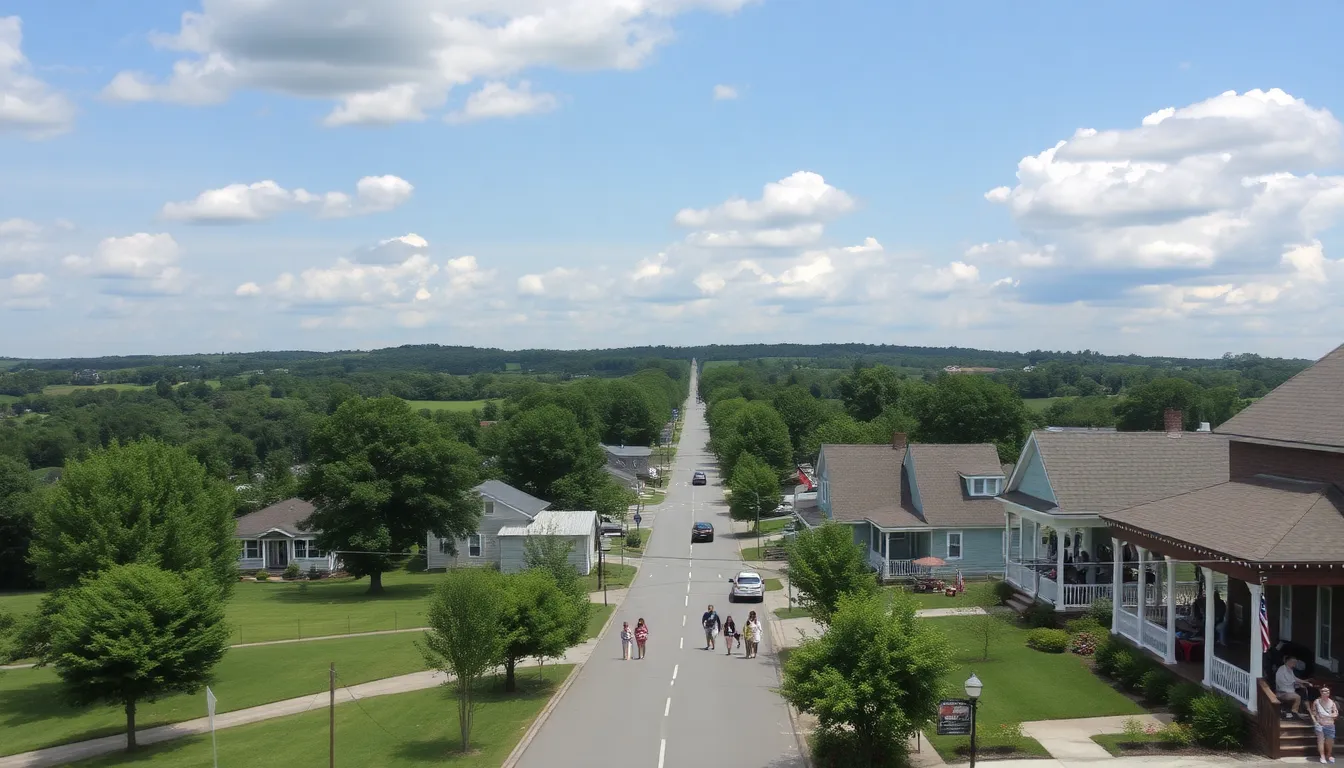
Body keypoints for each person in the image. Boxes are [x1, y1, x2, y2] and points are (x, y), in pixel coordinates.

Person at [1277, 655, 1311, 720]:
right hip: (1282, 692)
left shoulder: (1290, 670)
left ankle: (1305, 710)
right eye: (1293, 662)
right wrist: (1298, 684)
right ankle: (1294, 713)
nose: (1294, 664)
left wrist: (1305, 682)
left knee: (1303, 690)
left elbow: (1295, 679)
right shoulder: (1282, 670)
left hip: (1289, 690)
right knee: (1298, 697)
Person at [1315, 685, 1338, 764]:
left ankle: (1329, 755)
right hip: (1320, 724)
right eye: (1324, 691)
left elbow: (1335, 712)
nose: (1326, 692)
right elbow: (1314, 712)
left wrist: (1332, 715)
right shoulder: (1316, 702)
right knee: (1320, 740)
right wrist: (1316, 721)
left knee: (1330, 741)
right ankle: (1322, 756)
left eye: (1327, 691)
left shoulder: (1332, 702)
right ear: (1321, 692)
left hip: (1330, 724)